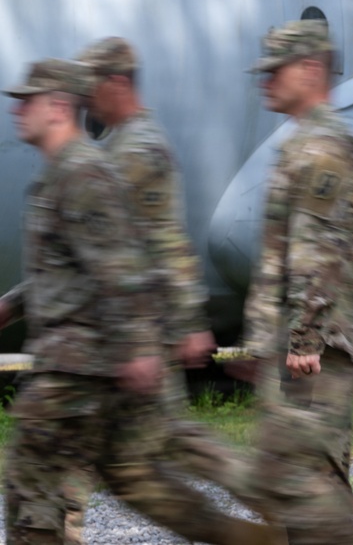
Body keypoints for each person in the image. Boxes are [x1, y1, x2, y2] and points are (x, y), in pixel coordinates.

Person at [0, 58, 280, 545]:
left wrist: (143, 346)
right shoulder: (64, 173)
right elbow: (76, 264)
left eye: (28, 101)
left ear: (60, 106)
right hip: (86, 360)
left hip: (82, 363)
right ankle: (259, 537)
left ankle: (284, 511)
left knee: (35, 483)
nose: (16, 110)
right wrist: (13, 305)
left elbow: (130, 261)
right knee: (138, 479)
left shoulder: (93, 170)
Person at [71, 36, 264, 530]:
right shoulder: (116, 145)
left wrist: (189, 324)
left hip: (143, 330)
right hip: (121, 332)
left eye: (88, 86)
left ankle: (269, 509)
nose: (82, 99)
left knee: (158, 449)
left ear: (116, 82)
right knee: (147, 451)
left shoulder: (139, 151)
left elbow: (166, 243)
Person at [238, 19, 353, 544]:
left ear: (310, 68)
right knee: (299, 486)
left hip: (317, 349)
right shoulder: (304, 140)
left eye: (275, 70)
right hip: (305, 342)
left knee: (314, 490)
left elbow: (321, 251)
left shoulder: (322, 144)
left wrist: (303, 338)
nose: (265, 80)